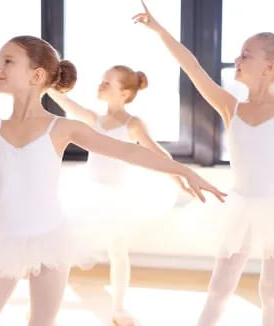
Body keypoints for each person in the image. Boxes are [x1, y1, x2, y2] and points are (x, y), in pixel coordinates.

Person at [0, 12, 226, 326]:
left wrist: (183, 170)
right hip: (3, 239)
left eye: (8, 61)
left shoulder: (61, 128)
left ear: (36, 75)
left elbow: (127, 152)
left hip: (52, 239)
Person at [134, 1, 274, 325]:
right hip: (239, 207)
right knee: (219, 288)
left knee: (271, 291)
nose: (237, 60)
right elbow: (193, 67)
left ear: (269, 67)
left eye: (245, 55)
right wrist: (158, 29)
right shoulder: (231, 107)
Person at [47, 66, 190, 325]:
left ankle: (119, 309)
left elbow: (157, 153)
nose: (100, 85)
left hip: (118, 197)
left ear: (124, 93)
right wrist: (46, 86)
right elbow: (68, 104)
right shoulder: (95, 120)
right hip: (88, 192)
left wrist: (180, 176)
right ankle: (48, 307)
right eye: (101, 80)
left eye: (107, 83)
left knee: (118, 253)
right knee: (64, 248)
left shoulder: (132, 124)